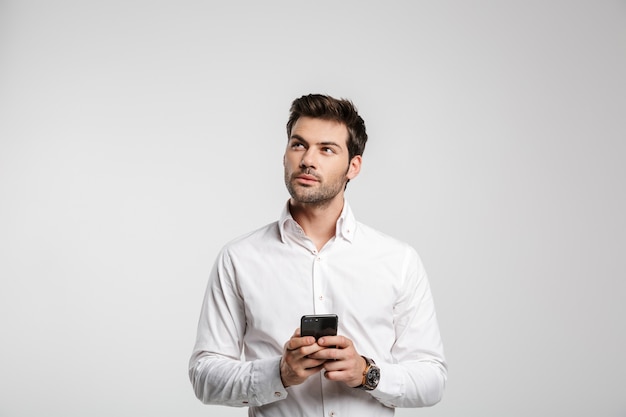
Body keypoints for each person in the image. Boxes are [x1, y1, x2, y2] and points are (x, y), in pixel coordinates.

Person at [189, 94, 447, 416]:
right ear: (285, 155)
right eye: (299, 145)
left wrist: (366, 373)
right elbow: (204, 376)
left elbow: (432, 379)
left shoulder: (398, 261)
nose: (308, 159)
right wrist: (279, 373)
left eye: (327, 149)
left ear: (354, 166)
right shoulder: (239, 259)